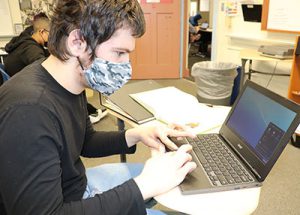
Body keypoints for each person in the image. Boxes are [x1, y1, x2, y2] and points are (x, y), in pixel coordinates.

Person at [0, 0, 197, 215]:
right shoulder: (28, 111)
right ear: (77, 42)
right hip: (66, 205)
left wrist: (136, 134)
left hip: (75, 188)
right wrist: (144, 186)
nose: (126, 66)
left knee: (180, 176)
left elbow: (85, 141)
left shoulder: (70, 80)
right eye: (119, 53)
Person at [4, 12, 105, 123]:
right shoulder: (30, 48)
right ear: (41, 32)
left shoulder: (24, 43)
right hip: (28, 90)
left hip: (20, 83)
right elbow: (44, 69)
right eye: (49, 34)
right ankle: (87, 113)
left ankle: (89, 111)